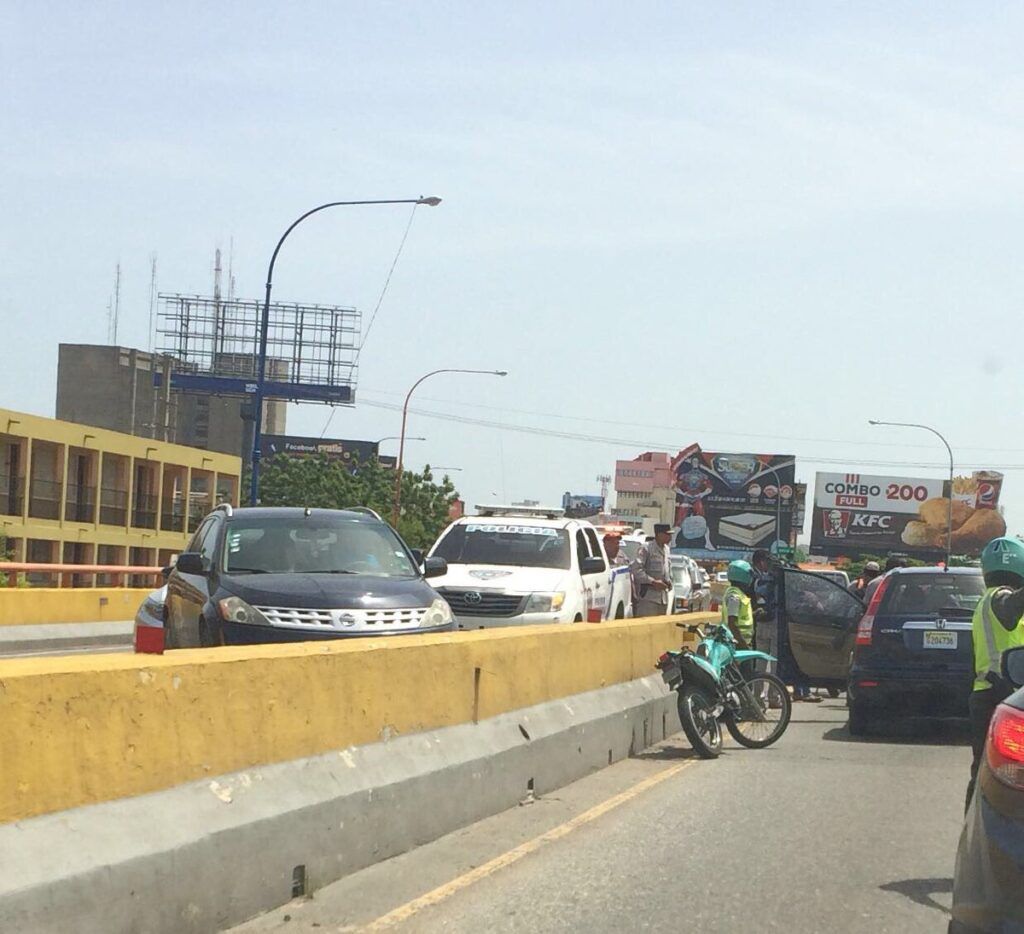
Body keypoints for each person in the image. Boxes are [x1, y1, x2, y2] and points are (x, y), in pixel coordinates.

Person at [965, 536, 1024, 810]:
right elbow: (1011, 609)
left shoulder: (986, 601)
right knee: (993, 777)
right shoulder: (999, 598)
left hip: (993, 695)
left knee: (986, 775)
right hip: (999, 694)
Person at [632, 524, 673, 617]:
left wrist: (669, 582)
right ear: (659, 535)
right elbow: (636, 570)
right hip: (648, 598)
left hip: (663, 598)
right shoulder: (646, 548)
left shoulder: (667, 550)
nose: (670, 537)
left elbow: (667, 570)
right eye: (667, 534)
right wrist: (653, 582)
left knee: (659, 629)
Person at [721, 559, 756, 649]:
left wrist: (754, 614)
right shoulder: (735, 596)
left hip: (739, 642)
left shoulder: (738, 593)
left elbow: (739, 616)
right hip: (737, 644)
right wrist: (743, 645)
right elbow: (732, 623)